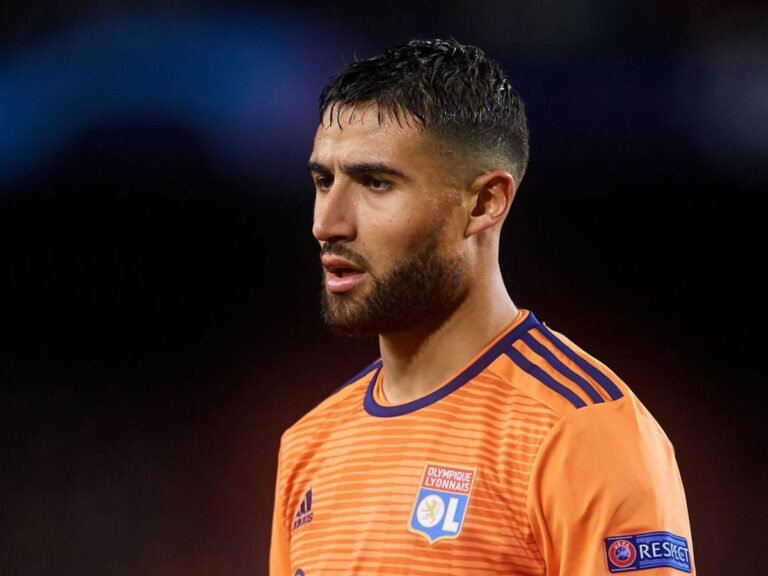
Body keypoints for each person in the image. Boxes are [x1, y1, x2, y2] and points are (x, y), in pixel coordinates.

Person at [270, 39, 695, 576]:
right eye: (323, 181)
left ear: (483, 203)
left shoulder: (582, 430)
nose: (327, 223)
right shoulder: (308, 444)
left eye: (376, 183)